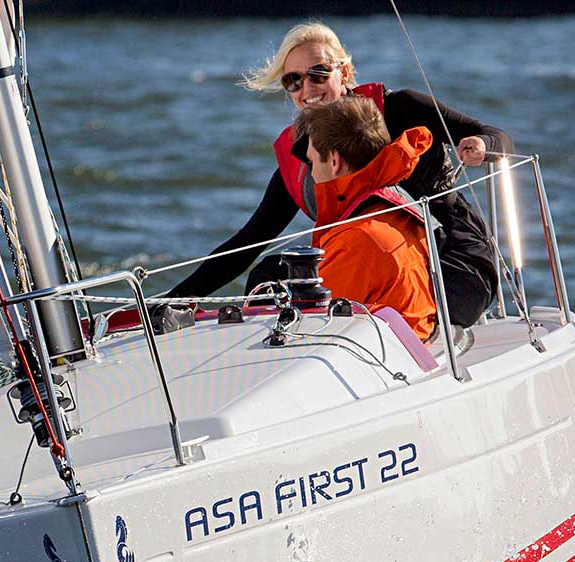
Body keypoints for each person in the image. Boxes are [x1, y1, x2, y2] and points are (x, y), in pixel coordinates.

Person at [166, 22, 509, 328]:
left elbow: (497, 136)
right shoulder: (303, 158)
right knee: (267, 277)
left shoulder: (402, 109)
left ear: (343, 72)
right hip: (367, 264)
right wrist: (164, 304)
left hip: (450, 259)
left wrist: (481, 143)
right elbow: (246, 243)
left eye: (318, 73)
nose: (307, 88)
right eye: (293, 80)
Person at [296, 96, 438, 340]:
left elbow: (312, 330)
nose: (311, 173)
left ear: (333, 161)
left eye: (311, 161)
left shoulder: (357, 239)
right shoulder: (390, 207)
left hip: (381, 363)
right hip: (409, 346)